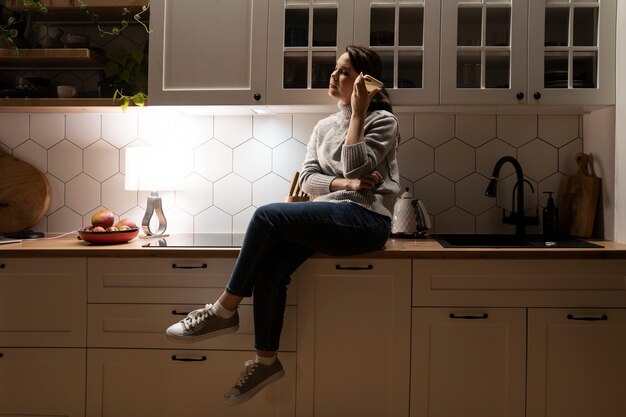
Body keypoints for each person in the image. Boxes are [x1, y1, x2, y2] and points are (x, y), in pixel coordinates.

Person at [165, 45, 401, 406]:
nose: (334, 77)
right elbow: (308, 179)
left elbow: (354, 164)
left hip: (367, 221)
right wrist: (345, 184)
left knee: (266, 215)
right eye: (335, 70)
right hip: (330, 216)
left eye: (344, 72)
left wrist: (358, 114)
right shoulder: (323, 127)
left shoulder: (382, 121)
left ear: (365, 83)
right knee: (272, 268)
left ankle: (223, 310)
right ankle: (266, 361)